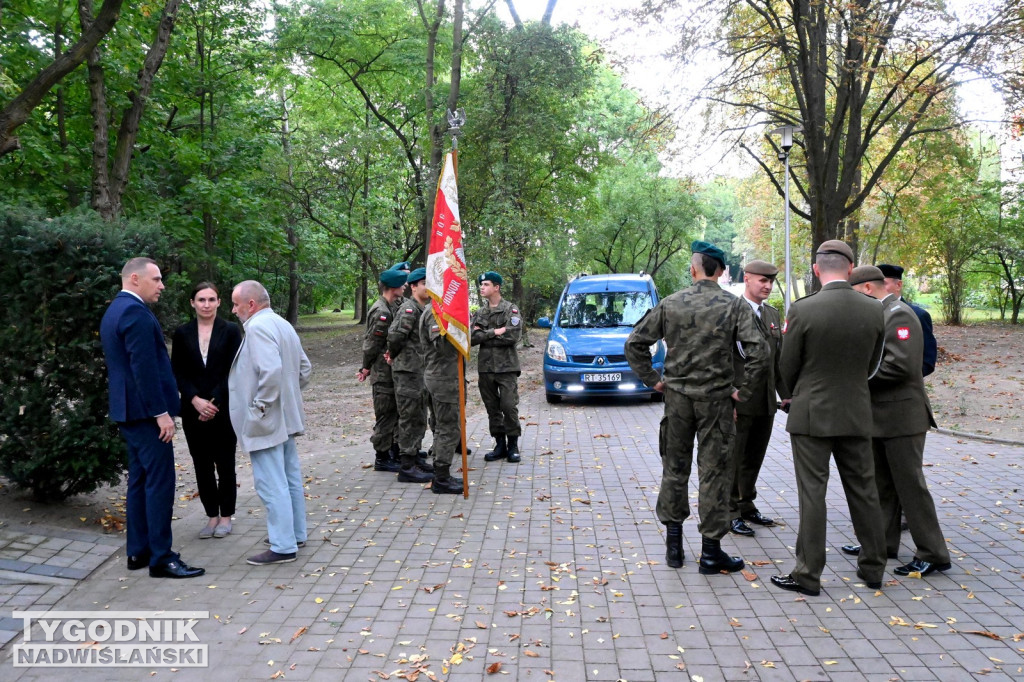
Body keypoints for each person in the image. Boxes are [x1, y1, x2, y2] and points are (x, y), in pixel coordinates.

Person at [625, 241, 767, 574]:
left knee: (675, 470)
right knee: (714, 473)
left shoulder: (671, 303)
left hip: (677, 400)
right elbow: (759, 353)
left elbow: (635, 343)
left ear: (694, 269)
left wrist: (654, 380)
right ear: (721, 271)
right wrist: (742, 392)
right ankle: (710, 553)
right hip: (716, 402)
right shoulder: (734, 306)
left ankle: (673, 549)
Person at [770, 240, 888, 596]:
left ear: (817, 269)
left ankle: (808, 574)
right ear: (851, 269)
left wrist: (794, 392)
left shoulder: (803, 309)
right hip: (855, 411)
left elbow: (786, 365)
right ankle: (873, 568)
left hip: (811, 414)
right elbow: (872, 364)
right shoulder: (873, 309)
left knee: (812, 494)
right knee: (864, 491)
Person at [840, 266, 951, 577]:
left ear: (865, 289)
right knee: (882, 486)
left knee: (910, 487)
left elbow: (901, 366)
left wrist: (855, 379)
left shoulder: (898, 314)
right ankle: (883, 543)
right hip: (880, 417)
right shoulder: (880, 313)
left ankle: (933, 552)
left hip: (903, 417)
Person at [100, 257, 204, 579]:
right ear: (135, 278)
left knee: (141, 481)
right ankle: (161, 558)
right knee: (160, 483)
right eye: (156, 279)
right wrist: (162, 414)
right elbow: (142, 370)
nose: (161, 286)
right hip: (146, 414)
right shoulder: (134, 312)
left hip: (129, 412)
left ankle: (138, 551)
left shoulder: (114, 310)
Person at [228, 281, 312, 565]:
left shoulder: (257, 327)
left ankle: (283, 545)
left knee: (269, 481)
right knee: (289, 476)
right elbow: (304, 370)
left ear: (250, 304)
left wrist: (260, 408)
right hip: (283, 416)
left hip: (266, 419)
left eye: (236, 304)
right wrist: (286, 397)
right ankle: (295, 534)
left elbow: (271, 371)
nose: (233, 309)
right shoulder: (282, 323)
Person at [171, 283, 243, 539]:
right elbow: (177, 370)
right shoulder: (182, 333)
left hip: (223, 410)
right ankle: (211, 516)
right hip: (193, 410)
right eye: (201, 299)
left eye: (211, 299)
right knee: (201, 464)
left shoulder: (231, 331)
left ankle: (226, 516)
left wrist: (214, 402)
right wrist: (194, 399)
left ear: (219, 302)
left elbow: (234, 370)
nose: (206, 304)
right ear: (192, 303)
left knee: (225, 464)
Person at [729, 260, 791, 537]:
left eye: (770, 282)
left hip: (765, 401)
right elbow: (720, 359)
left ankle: (746, 504)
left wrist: (786, 395)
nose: (767, 286)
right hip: (739, 400)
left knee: (754, 457)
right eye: (761, 281)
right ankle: (729, 512)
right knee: (734, 457)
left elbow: (777, 361)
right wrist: (727, 396)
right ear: (747, 279)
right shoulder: (731, 313)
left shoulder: (773, 314)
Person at [357, 269, 407, 472]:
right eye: (402, 284)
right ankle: (382, 457)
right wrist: (366, 367)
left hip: (387, 370)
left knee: (391, 413)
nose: (405, 287)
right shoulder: (382, 312)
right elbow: (372, 344)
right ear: (393, 287)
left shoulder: (389, 306)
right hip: (381, 372)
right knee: (385, 414)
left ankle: (389, 453)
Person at [471, 271, 523, 463]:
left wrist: (486, 334)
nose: (482, 288)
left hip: (506, 368)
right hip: (486, 368)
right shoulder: (480, 313)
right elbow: (472, 338)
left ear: (496, 287)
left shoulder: (510, 309)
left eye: (485, 284)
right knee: (492, 408)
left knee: (508, 406)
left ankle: (513, 445)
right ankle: (499, 444)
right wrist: (495, 331)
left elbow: (513, 335)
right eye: (481, 285)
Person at [387, 267, 433, 483]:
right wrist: (394, 355)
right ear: (414, 286)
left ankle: (414, 458)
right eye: (424, 283)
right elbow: (395, 336)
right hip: (407, 372)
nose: (429, 287)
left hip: (420, 371)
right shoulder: (410, 309)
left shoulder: (425, 308)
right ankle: (406, 466)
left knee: (419, 417)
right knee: (408, 417)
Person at [419, 301, 464, 494]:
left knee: (442, 426)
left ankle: (440, 472)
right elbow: (443, 346)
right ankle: (442, 478)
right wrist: (462, 333)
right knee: (449, 428)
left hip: (443, 376)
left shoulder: (441, 310)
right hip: (442, 378)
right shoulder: (435, 312)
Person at [877, 264, 937, 377]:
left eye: (884, 283)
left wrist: (906, 380)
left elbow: (928, 360)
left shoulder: (918, 315)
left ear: (898, 285)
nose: (878, 288)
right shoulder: (871, 313)